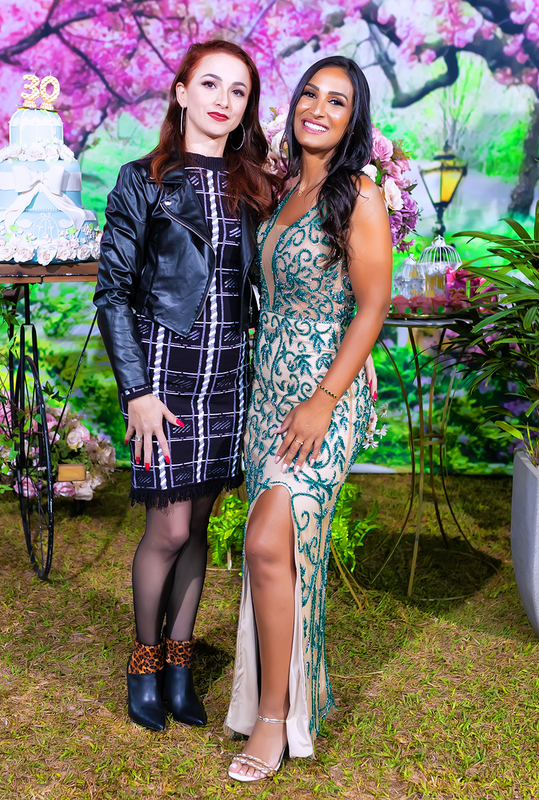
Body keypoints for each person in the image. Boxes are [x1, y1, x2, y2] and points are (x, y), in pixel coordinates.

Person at [94, 40, 276, 733]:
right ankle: (143, 662)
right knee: (167, 528)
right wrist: (136, 390)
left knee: (197, 526)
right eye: (210, 84)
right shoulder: (142, 180)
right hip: (164, 377)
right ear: (180, 92)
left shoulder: (254, 186)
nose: (223, 100)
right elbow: (113, 293)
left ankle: (179, 662)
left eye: (238, 90)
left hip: (227, 374)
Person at [224, 56, 392, 781]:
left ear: (354, 120)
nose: (318, 109)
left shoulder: (361, 196)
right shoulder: (285, 190)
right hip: (269, 391)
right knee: (271, 552)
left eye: (337, 101)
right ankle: (278, 698)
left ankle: (274, 718)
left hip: (326, 394)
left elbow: (373, 307)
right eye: (310, 95)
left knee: (268, 540)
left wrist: (325, 399)